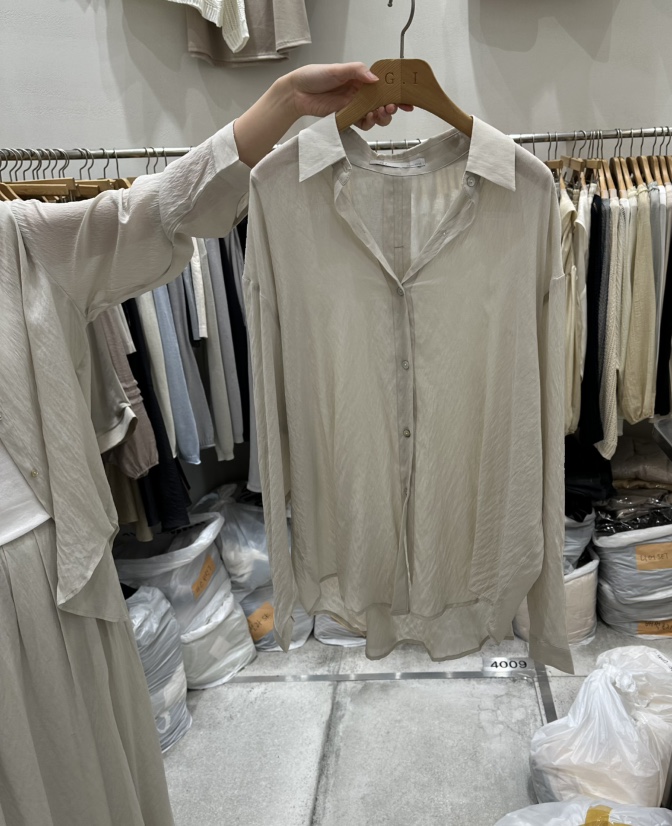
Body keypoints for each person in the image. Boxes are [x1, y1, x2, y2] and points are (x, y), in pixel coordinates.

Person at [0, 63, 406, 826]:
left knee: (77, 784)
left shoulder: (13, 243)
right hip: (42, 571)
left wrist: (283, 103)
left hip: (44, 583)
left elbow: (158, 211)